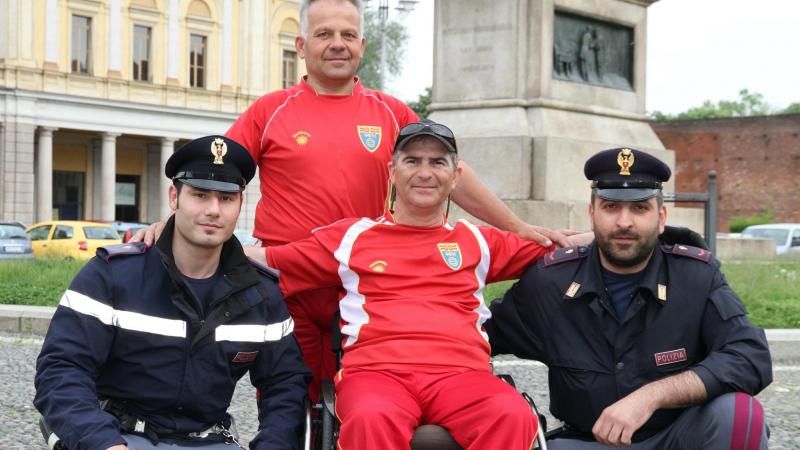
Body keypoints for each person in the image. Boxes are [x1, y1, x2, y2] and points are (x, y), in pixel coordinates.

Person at [137, 0, 569, 404]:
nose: (337, 44)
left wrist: (518, 227)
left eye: (348, 34)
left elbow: (449, 174)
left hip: (372, 286)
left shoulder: (391, 112)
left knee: (366, 397)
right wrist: (169, 224)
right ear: (301, 46)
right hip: (291, 283)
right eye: (324, 34)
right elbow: (216, 174)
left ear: (362, 45)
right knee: (290, 397)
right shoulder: (270, 111)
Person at [244, 120, 564, 449]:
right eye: (412, 161)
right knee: (371, 417)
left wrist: (604, 234)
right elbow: (270, 259)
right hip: (377, 374)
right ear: (392, 172)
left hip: (462, 375)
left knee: (512, 415)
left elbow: (565, 248)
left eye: (438, 162)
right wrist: (201, 243)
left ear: (455, 177)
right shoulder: (353, 238)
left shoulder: (478, 241)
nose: (425, 172)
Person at [34, 136, 311, 450]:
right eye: (200, 195)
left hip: (210, 441)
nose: (213, 210)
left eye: (226, 198)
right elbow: (61, 369)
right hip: (118, 437)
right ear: (174, 197)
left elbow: (284, 384)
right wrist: (103, 442)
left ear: (240, 204)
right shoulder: (111, 276)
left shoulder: (261, 292)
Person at [485, 147, 773, 449]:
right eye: (610, 207)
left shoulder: (695, 277)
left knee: (739, 413)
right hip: (587, 441)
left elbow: (749, 356)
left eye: (639, 208)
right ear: (591, 214)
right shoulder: (551, 282)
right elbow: (477, 339)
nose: (624, 222)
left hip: (674, 438)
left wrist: (651, 396)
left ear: (661, 217)